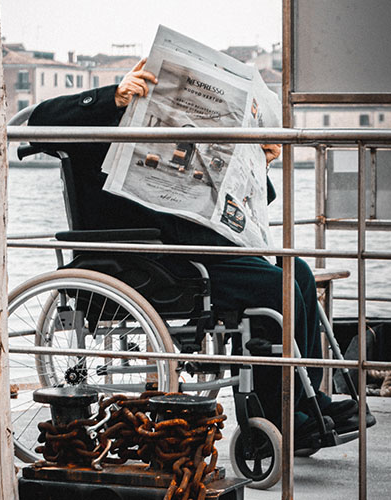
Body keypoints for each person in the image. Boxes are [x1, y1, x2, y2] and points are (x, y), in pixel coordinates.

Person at [28, 59, 360, 443]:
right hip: (152, 257)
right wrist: (112, 98)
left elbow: (241, 206)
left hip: (200, 248)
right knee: (274, 288)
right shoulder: (101, 124)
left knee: (297, 271)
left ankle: (305, 398)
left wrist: (259, 162)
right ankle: (282, 415)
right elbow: (38, 120)